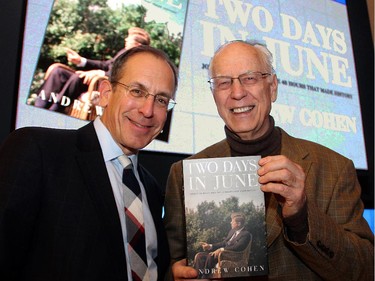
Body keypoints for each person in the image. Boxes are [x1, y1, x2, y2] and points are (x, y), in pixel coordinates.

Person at [163, 40, 374, 280]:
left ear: (272, 87)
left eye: (250, 78)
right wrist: (177, 276)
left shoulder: (334, 168)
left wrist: (302, 216)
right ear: (214, 94)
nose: (237, 92)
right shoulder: (183, 174)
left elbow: (366, 269)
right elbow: (171, 264)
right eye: (223, 83)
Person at [0, 45, 177, 281]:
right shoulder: (37, 151)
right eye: (136, 91)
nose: (148, 110)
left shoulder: (153, 190)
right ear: (105, 92)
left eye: (162, 100)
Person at [34, 26, 150, 112]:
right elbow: (106, 64)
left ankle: (54, 110)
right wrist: (80, 61)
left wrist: (100, 73)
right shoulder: (124, 52)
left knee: (78, 78)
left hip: (107, 85)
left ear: (138, 45)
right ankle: (39, 106)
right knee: (58, 72)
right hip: (101, 78)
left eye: (129, 39)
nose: (125, 40)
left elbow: (123, 77)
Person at [193, 213, 251, 278]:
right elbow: (224, 243)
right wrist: (210, 246)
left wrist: (221, 250)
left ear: (238, 224)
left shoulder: (246, 234)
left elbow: (238, 247)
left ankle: (204, 277)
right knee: (200, 256)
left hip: (232, 257)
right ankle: (197, 277)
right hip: (223, 254)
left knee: (211, 255)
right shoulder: (232, 231)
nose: (230, 222)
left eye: (232, 221)